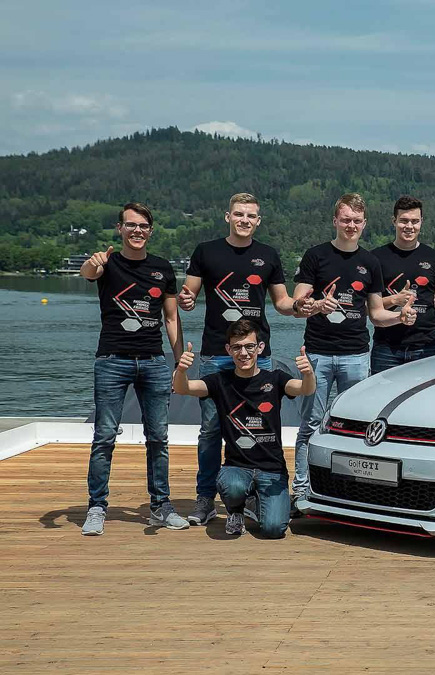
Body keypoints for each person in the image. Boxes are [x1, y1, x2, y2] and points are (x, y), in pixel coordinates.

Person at [176, 192, 297, 526]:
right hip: (217, 354)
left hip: (259, 356)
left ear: (258, 221)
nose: (245, 220)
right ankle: (205, 499)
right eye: (239, 214)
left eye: (251, 216)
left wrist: (301, 307)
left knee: (262, 426)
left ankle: (254, 495)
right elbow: (189, 293)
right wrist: (186, 300)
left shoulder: (268, 255)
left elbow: (282, 302)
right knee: (211, 430)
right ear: (227, 216)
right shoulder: (206, 251)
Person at [289, 193, 416, 512]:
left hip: (356, 356)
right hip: (318, 353)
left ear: (364, 224)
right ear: (335, 220)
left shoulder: (370, 262)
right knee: (311, 424)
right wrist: (315, 304)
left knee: (355, 427)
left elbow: (376, 314)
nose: (351, 225)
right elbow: (297, 302)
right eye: (346, 219)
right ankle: (301, 490)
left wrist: (400, 317)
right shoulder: (316, 256)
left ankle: (349, 490)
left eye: (357, 221)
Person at [79, 202, 187, 535]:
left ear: (150, 231)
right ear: (120, 228)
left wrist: (179, 362)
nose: (137, 231)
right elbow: (88, 273)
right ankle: (97, 507)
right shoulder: (108, 263)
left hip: (153, 362)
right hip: (112, 360)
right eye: (131, 225)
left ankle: (160, 506)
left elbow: (171, 317)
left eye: (143, 226)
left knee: (158, 438)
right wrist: (94, 262)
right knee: (104, 436)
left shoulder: (162, 268)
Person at [172, 321, 316, 537]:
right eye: (237, 347)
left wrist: (308, 374)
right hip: (237, 467)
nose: (244, 353)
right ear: (228, 350)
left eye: (249, 346)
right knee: (233, 487)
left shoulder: (275, 378)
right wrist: (182, 370)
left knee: (274, 529)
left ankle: (254, 502)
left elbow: (305, 389)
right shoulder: (220, 381)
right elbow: (184, 388)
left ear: (260, 348)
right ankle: (236, 510)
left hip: (272, 469)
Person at [370, 195, 435, 374]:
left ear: (421, 222)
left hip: (426, 347)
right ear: (394, 221)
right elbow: (369, 309)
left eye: (415, 221)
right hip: (386, 349)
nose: (409, 226)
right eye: (404, 221)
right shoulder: (376, 258)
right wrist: (395, 299)